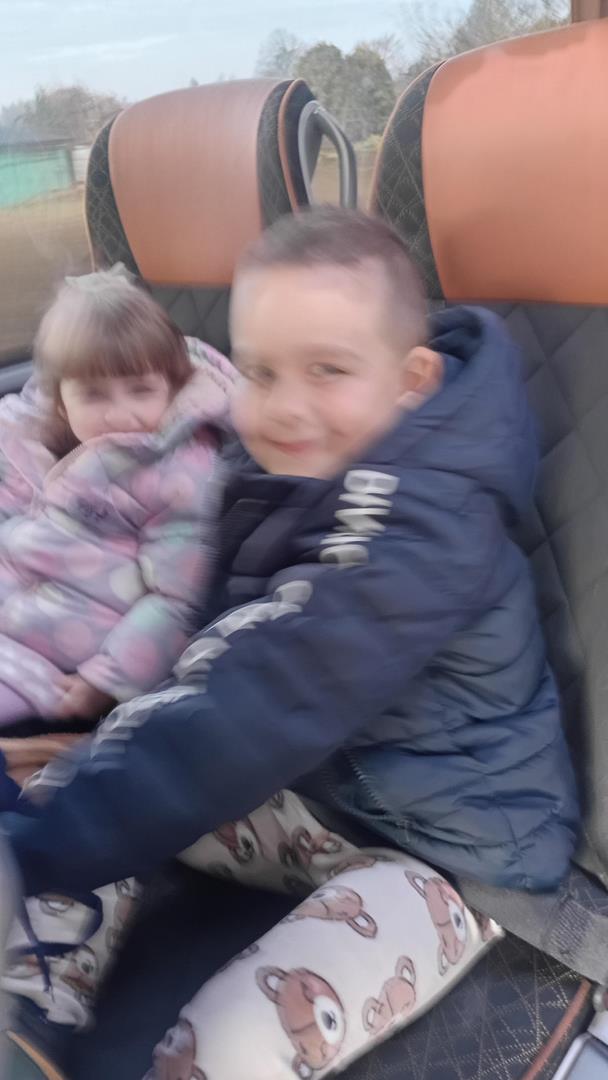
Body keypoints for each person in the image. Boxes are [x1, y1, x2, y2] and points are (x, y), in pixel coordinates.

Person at [0, 208, 578, 1080]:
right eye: (261, 372)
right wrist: (58, 804)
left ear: (413, 381)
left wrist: (39, 846)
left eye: (328, 370)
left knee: (240, 1035)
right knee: (67, 795)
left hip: (450, 858)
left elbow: (262, 697)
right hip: (320, 803)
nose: (286, 406)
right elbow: (215, 655)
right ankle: (30, 1010)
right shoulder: (281, 473)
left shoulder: (425, 533)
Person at [0, 265, 235, 728]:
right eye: (94, 395)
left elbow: (177, 599)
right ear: (61, 401)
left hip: (62, 661)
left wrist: (105, 680)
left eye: (140, 391)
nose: (120, 415)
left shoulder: (179, 473)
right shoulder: (33, 439)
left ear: (172, 388)